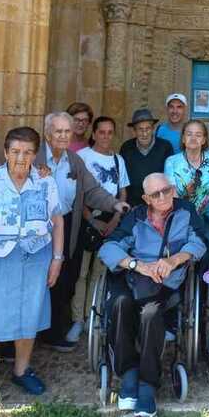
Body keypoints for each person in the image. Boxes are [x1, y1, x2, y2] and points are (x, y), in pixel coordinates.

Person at [0, 127, 62, 407]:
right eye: (15, 151)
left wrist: (57, 259)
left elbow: (57, 220)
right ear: (5, 152)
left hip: (35, 256)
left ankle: (21, 369)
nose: (21, 157)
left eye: (28, 152)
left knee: (29, 313)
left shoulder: (45, 182)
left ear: (35, 155)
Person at [99, 173, 208, 417]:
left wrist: (173, 260)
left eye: (166, 190)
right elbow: (108, 248)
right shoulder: (135, 216)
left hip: (166, 283)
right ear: (146, 198)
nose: (163, 197)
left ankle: (147, 386)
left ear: (173, 190)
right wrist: (137, 265)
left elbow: (200, 242)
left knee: (151, 314)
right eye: (156, 194)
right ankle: (129, 373)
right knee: (119, 303)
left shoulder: (186, 211)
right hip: (135, 278)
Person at [35, 112, 130, 351]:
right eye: (59, 131)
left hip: (67, 223)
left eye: (67, 131)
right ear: (48, 133)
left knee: (63, 279)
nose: (64, 136)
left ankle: (52, 332)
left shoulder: (73, 160)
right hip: (37, 227)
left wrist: (113, 204)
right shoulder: (34, 156)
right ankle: (23, 336)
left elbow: (91, 189)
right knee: (36, 279)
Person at [67, 116, 130, 344]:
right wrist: (91, 220)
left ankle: (93, 316)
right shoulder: (82, 157)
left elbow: (122, 192)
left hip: (111, 218)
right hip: (87, 218)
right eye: (101, 132)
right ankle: (78, 319)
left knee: (99, 273)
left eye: (109, 132)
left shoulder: (118, 160)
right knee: (81, 272)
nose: (105, 136)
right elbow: (78, 193)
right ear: (94, 134)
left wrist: (115, 218)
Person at [165, 119, 209, 228]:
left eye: (198, 135)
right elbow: (171, 190)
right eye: (189, 134)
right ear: (183, 138)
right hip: (183, 219)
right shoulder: (172, 162)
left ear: (204, 140)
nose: (193, 138)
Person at [121, 108, 174, 207]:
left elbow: (169, 178)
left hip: (158, 202)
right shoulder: (126, 147)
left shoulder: (165, 147)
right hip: (133, 204)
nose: (144, 133)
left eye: (148, 128)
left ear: (153, 128)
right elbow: (123, 179)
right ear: (134, 131)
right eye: (140, 129)